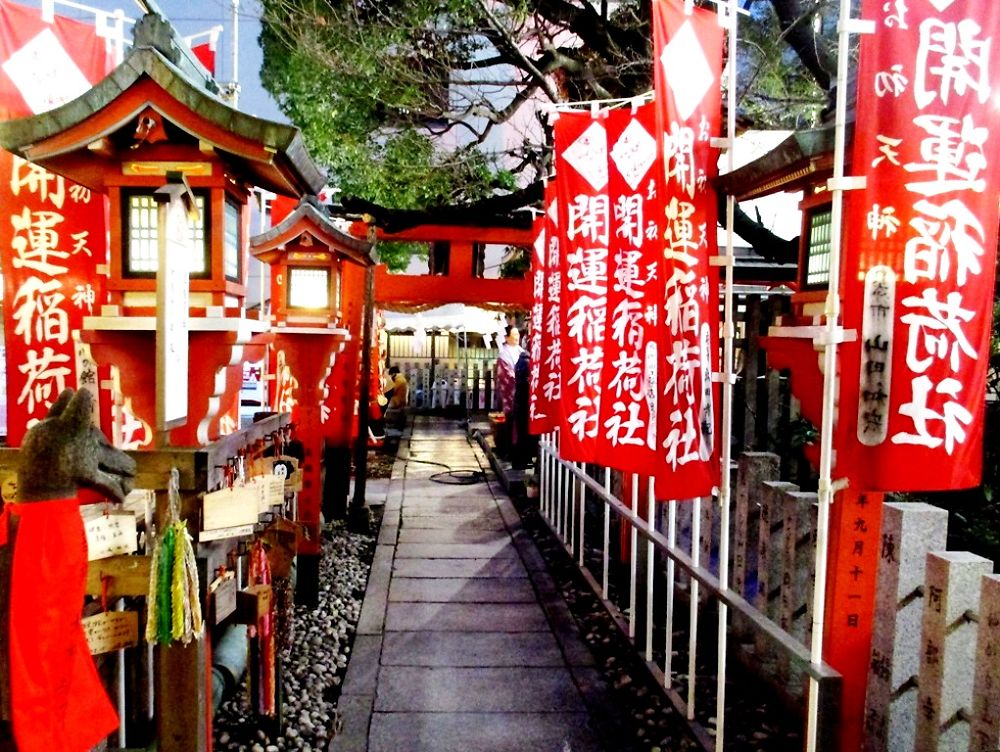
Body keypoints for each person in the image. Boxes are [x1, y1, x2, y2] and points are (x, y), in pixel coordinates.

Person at [494, 326, 524, 456]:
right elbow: (505, 375)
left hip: (521, 390)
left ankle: (519, 447)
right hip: (511, 392)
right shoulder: (503, 354)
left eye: (518, 334)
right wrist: (519, 381)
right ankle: (510, 448)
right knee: (511, 419)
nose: (517, 337)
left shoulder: (521, 351)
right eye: (514, 334)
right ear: (507, 337)